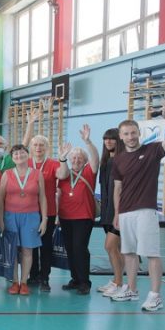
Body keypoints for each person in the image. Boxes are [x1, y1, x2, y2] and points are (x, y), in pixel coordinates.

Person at [111, 101, 165, 311]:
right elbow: (117, 189)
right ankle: (131, 290)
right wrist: (117, 213)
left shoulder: (153, 150)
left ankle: (155, 296)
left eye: (133, 132)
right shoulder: (118, 160)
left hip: (145, 210)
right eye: (126, 134)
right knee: (129, 253)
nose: (130, 137)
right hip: (125, 212)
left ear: (139, 133)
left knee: (151, 253)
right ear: (121, 137)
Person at [0, 144, 47, 296]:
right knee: (12, 250)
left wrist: (44, 219)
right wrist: (0, 219)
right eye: (16, 154)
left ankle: (24, 282)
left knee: (27, 250)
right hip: (10, 216)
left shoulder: (37, 174)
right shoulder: (7, 174)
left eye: (22, 153)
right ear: (12, 158)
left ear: (27, 154)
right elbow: (1, 199)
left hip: (31, 216)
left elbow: (42, 197)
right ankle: (14, 281)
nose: (19, 156)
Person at [56, 125, 100, 295]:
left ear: (84, 160)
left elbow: (95, 158)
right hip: (65, 217)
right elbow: (61, 174)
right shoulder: (65, 173)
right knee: (70, 248)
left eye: (80, 158)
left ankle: (84, 282)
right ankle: (75, 279)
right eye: (73, 158)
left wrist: (88, 142)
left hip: (84, 216)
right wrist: (62, 158)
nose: (76, 160)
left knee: (80, 247)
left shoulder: (89, 171)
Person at [25, 133, 66, 291]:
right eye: (35, 145)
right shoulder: (26, 163)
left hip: (47, 212)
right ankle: (33, 275)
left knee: (45, 246)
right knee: (31, 245)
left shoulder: (53, 163)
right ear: (31, 148)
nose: (38, 148)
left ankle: (45, 278)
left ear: (47, 148)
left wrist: (62, 159)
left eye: (41, 145)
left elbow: (62, 175)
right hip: (29, 211)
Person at [97, 128, 126, 297]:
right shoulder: (106, 162)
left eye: (112, 138)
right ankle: (117, 280)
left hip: (119, 213)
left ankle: (119, 283)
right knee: (116, 249)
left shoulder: (123, 161)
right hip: (107, 213)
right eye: (105, 138)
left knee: (110, 246)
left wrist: (119, 212)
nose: (108, 141)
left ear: (118, 140)